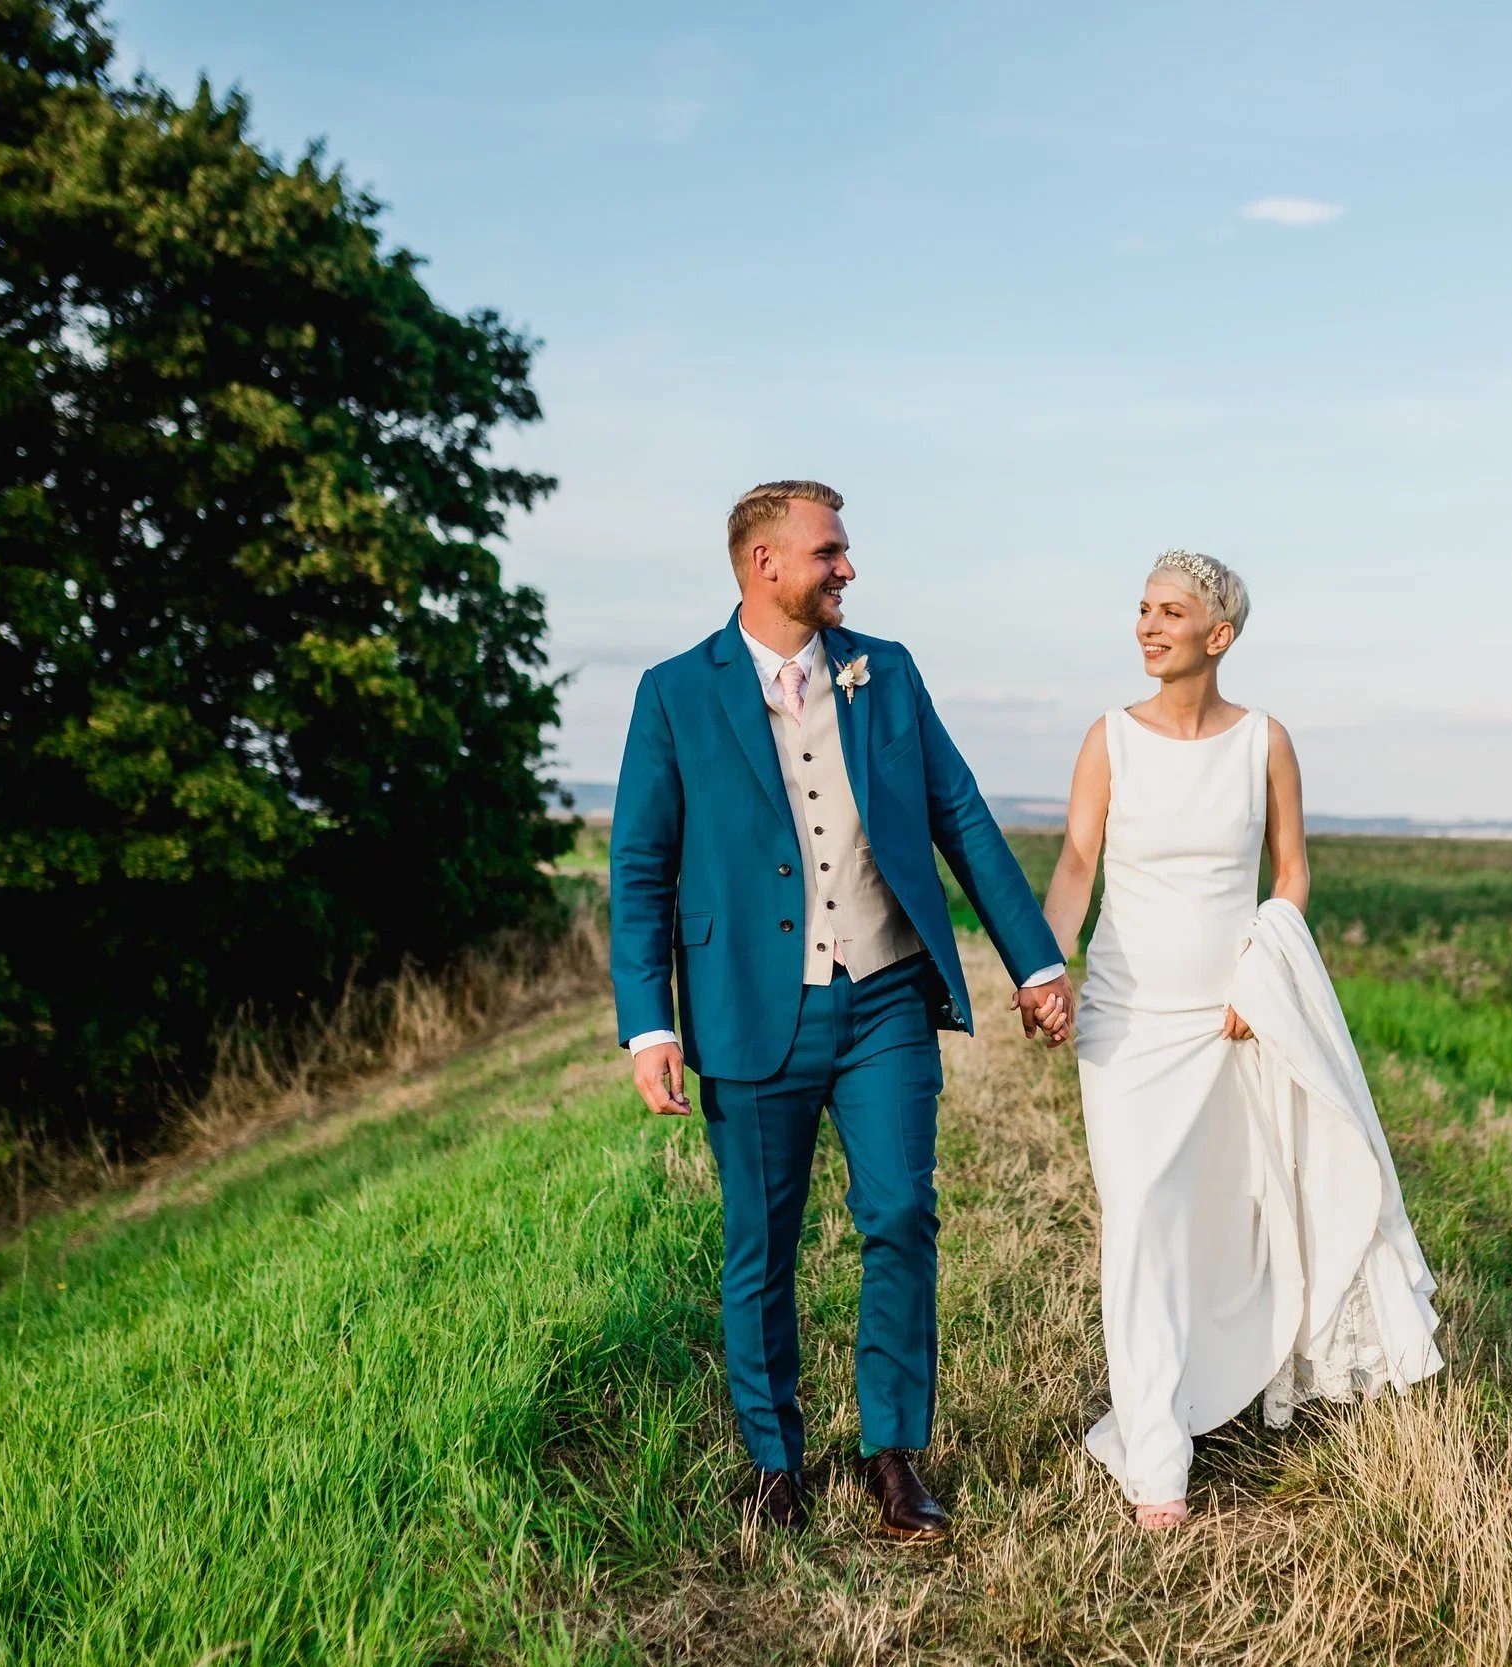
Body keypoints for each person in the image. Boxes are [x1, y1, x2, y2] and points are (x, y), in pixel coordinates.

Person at [610, 480, 1075, 1539]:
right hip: (746, 1004)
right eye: (829, 552)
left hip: (885, 996)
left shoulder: (886, 671)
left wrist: (1035, 963)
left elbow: (961, 814)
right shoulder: (674, 692)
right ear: (764, 562)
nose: (848, 569)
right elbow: (639, 864)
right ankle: (773, 1460)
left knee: (902, 1213)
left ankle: (892, 1452)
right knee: (760, 1242)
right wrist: (650, 1022)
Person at [1038, 550, 1445, 1530]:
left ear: (1217, 635)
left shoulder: (1266, 741)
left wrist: (1263, 969)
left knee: (1224, 1213)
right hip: (1126, 1020)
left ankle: (1215, 1375)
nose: (1147, 625)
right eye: (1142, 608)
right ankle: (1155, 1457)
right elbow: (1078, 861)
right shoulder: (1108, 738)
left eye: (1169, 612)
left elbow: (1291, 871)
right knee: (1139, 1216)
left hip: (1231, 1017)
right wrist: (1046, 967)